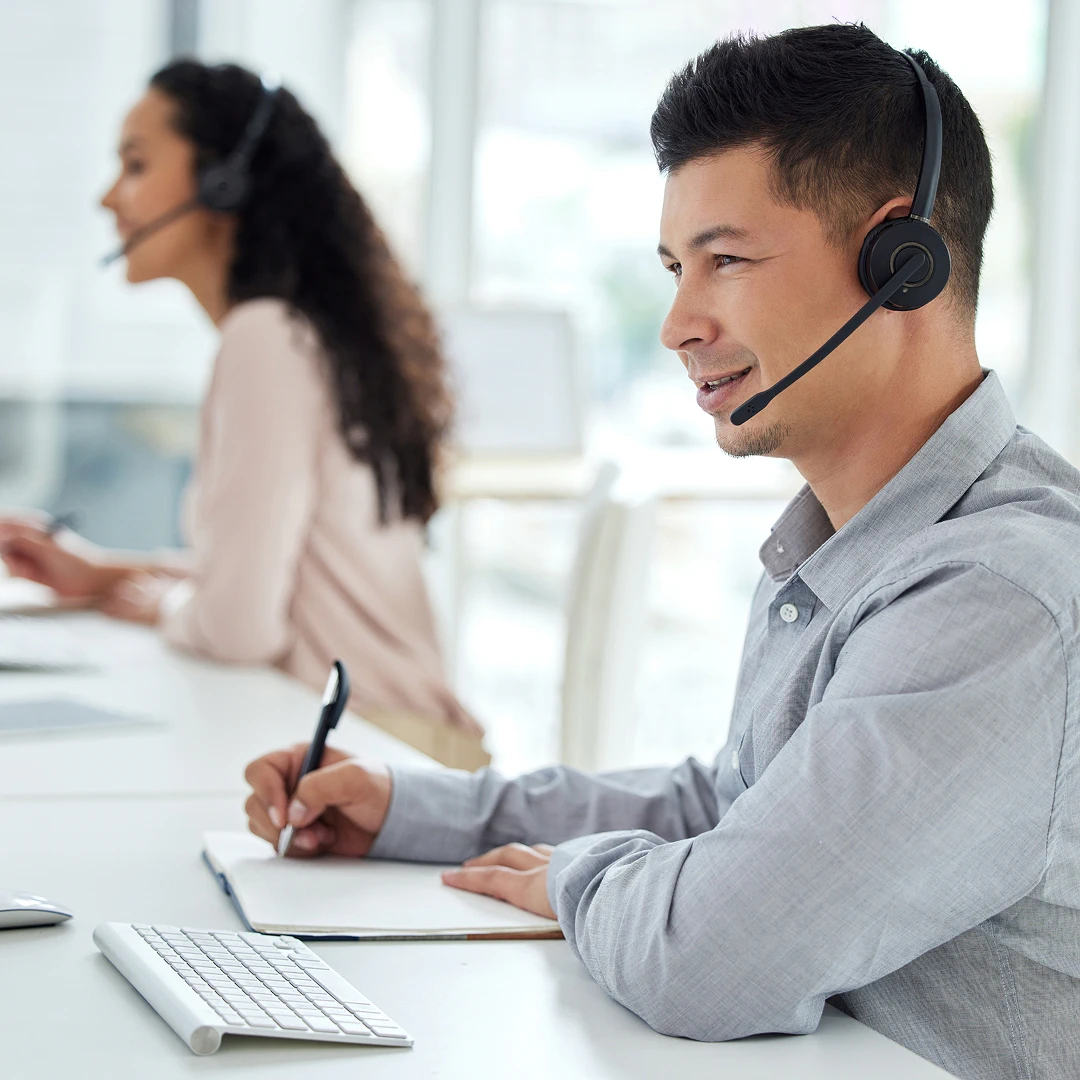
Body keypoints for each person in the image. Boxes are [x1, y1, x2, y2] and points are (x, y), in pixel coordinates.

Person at [243, 25, 1080, 1080]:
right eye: (676, 268)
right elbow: (735, 804)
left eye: (725, 260)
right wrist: (415, 810)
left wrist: (573, 876)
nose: (679, 322)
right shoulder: (856, 545)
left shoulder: (1002, 592)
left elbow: (712, 957)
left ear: (900, 263)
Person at [0, 61, 487, 769]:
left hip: (376, 750)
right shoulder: (302, 331)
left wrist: (163, 607)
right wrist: (104, 576)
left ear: (222, 183)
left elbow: (238, 628)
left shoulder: (265, 338)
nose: (110, 197)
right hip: (399, 745)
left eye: (136, 165)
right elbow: (265, 577)